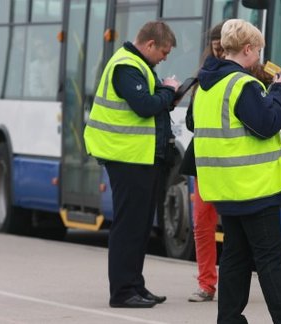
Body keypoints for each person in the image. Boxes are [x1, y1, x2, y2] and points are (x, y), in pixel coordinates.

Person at [193, 19, 281, 324]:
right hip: (254, 188)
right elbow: (266, 124)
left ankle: (228, 319)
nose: (259, 58)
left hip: (225, 189)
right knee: (270, 261)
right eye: (257, 52)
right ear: (247, 49)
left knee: (235, 257)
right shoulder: (242, 85)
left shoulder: (206, 86)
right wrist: (279, 90)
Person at [83, 21, 180, 309]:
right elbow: (145, 105)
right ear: (150, 44)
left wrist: (164, 94)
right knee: (128, 227)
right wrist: (169, 91)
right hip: (126, 157)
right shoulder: (126, 66)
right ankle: (123, 292)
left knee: (139, 227)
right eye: (163, 52)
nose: (164, 58)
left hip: (140, 157)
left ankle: (135, 285)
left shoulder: (139, 66)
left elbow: (149, 104)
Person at [179, 22, 225, 303]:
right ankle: (207, 283)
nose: (219, 51)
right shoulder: (203, 77)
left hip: (232, 160)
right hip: (205, 159)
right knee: (202, 223)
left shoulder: (249, 73)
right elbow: (191, 121)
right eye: (216, 46)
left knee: (232, 225)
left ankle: (229, 280)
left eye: (223, 46)